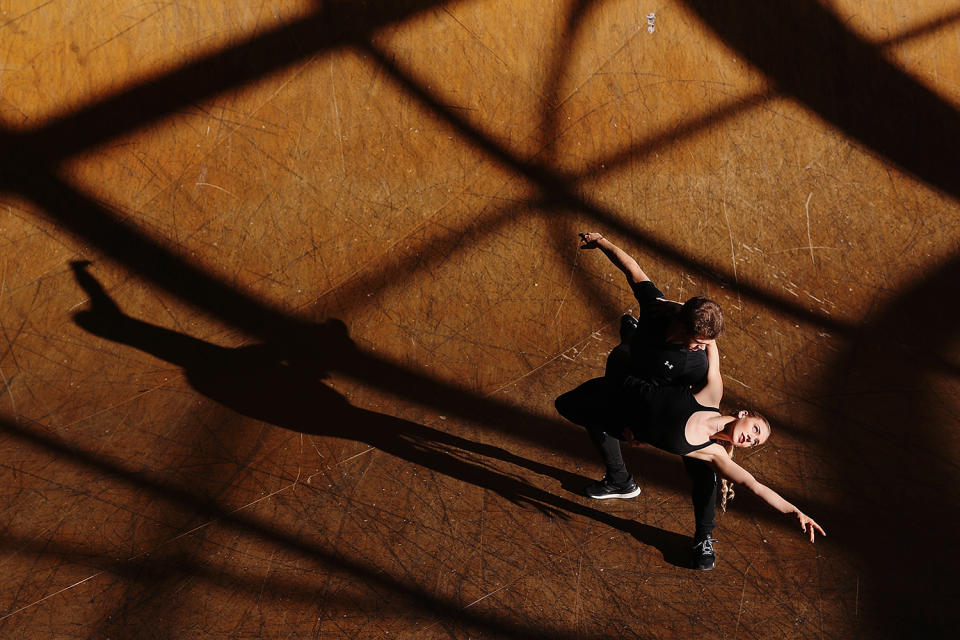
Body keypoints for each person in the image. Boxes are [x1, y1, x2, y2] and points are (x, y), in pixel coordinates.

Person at [556, 232, 824, 568]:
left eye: (755, 441)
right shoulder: (710, 394)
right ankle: (633, 342)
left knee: (704, 479)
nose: (751, 439)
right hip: (635, 381)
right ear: (742, 412)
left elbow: (754, 485)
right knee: (578, 397)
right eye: (756, 429)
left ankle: (702, 536)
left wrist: (794, 511)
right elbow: (636, 272)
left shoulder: (712, 452)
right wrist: (603, 242)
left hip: (645, 393)